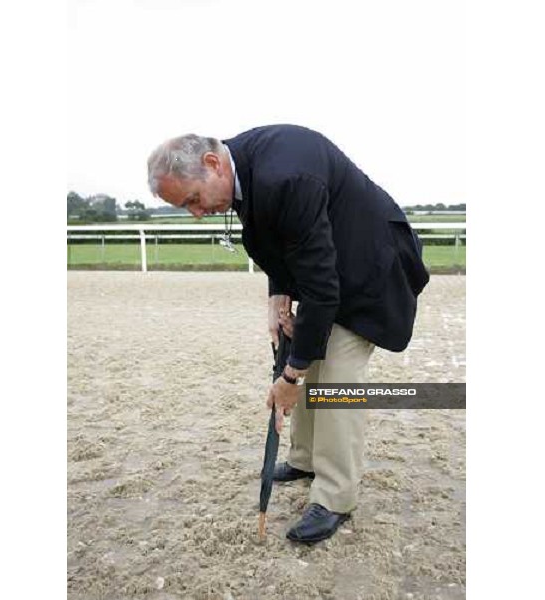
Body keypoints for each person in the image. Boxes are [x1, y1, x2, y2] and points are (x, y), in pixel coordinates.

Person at [147, 124, 429, 543]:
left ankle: (335, 496)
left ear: (211, 163)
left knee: (334, 376)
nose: (197, 213)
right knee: (309, 354)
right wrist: (277, 296)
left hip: (370, 268)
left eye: (192, 199)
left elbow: (320, 286)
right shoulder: (238, 172)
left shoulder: (285, 175)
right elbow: (277, 239)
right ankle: (305, 459)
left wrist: (291, 376)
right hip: (329, 271)